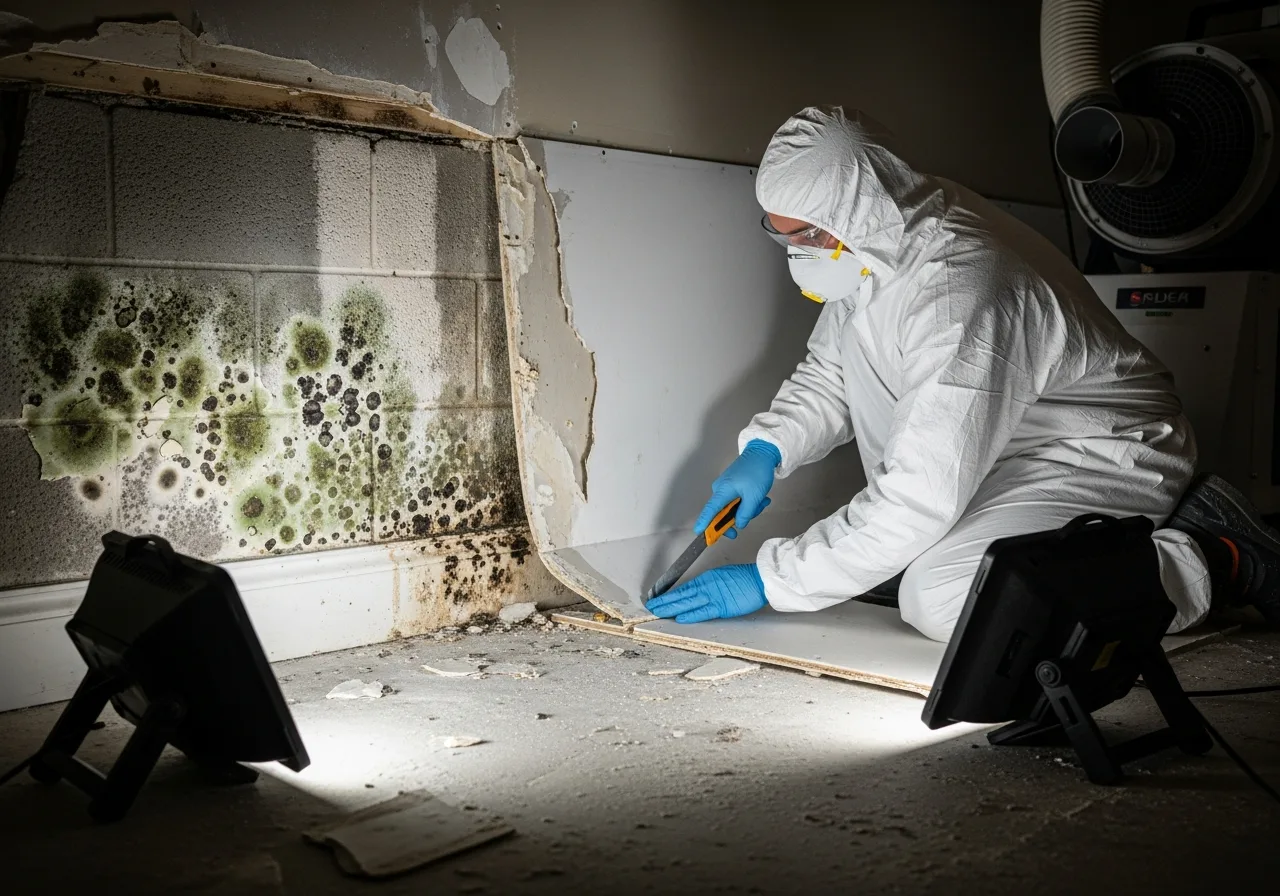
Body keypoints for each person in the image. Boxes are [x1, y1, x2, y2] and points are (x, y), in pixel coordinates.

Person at [647, 106, 1280, 640]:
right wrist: (767, 447)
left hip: (1097, 452)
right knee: (903, 555)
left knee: (946, 599)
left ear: (855, 211)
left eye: (809, 236)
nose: (797, 252)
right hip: (1000, 442)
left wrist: (772, 580)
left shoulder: (960, 290)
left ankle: (1211, 555)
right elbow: (835, 371)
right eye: (783, 236)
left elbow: (920, 494)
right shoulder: (884, 235)